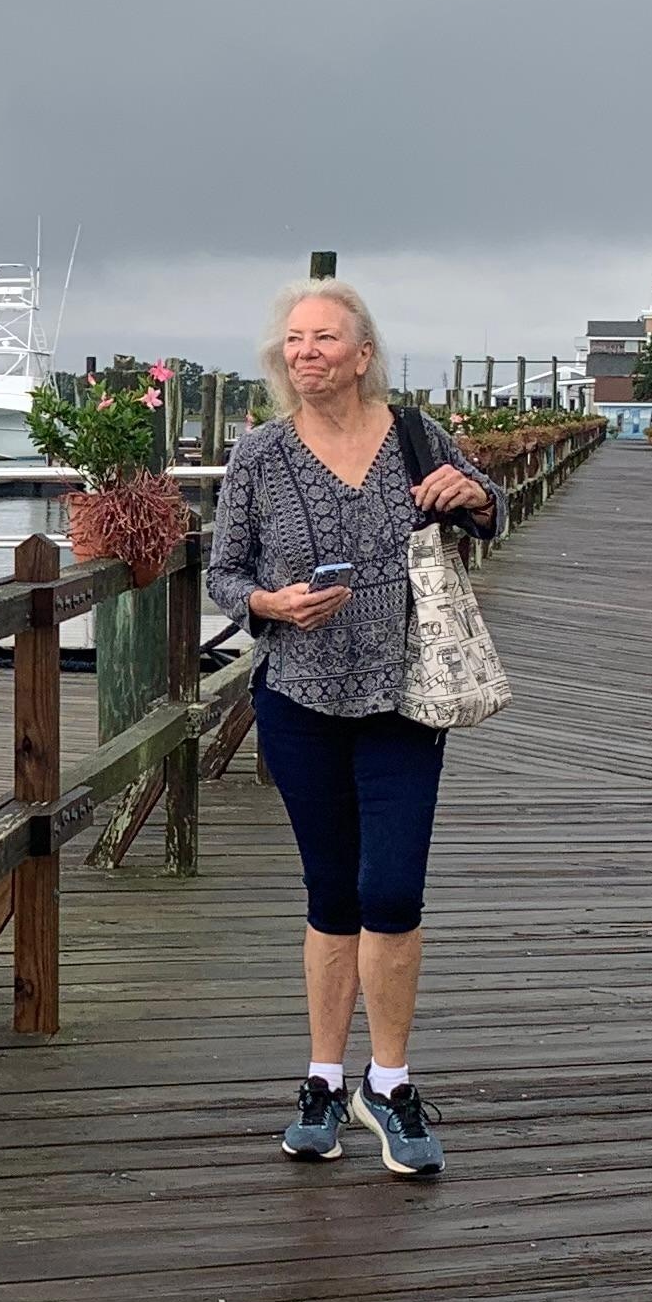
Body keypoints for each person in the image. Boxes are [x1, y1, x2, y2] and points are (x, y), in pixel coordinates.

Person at [204, 279, 500, 1175]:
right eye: (294, 341)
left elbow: (485, 511)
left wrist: (476, 497)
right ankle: (324, 1080)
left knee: (394, 891)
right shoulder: (258, 456)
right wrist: (271, 602)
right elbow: (222, 572)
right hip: (299, 698)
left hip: (408, 696)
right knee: (332, 895)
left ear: (362, 353)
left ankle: (394, 1082)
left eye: (324, 339)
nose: (306, 353)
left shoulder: (415, 437)